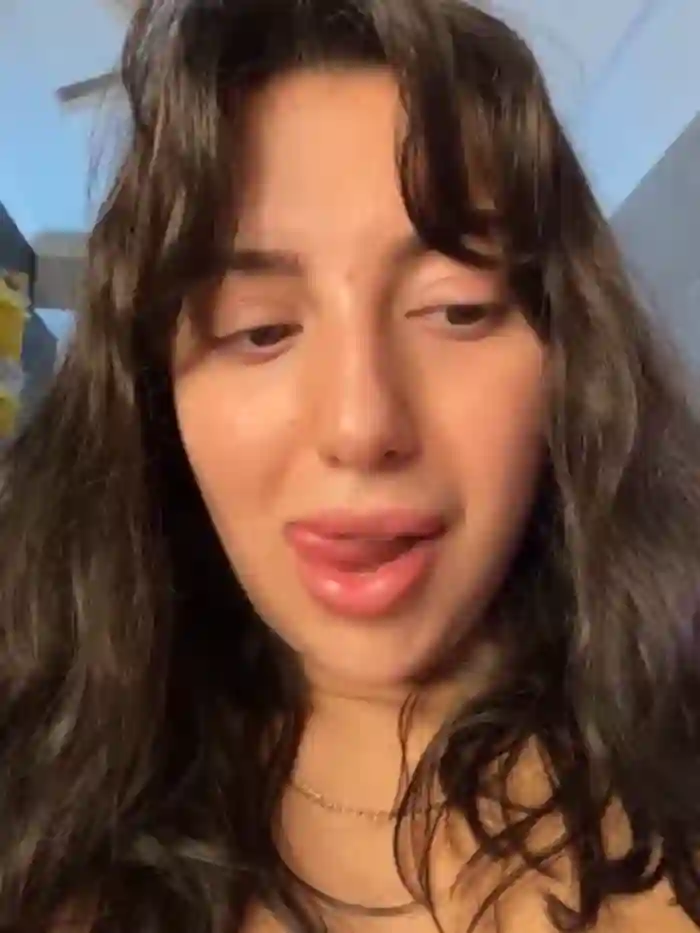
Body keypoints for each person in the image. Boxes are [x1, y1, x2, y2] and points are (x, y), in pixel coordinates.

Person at [1, 0, 700, 930]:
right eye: (259, 328)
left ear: (568, 357)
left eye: (457, 309)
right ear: (154, 398)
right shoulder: (39, 814)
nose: (362, 425)